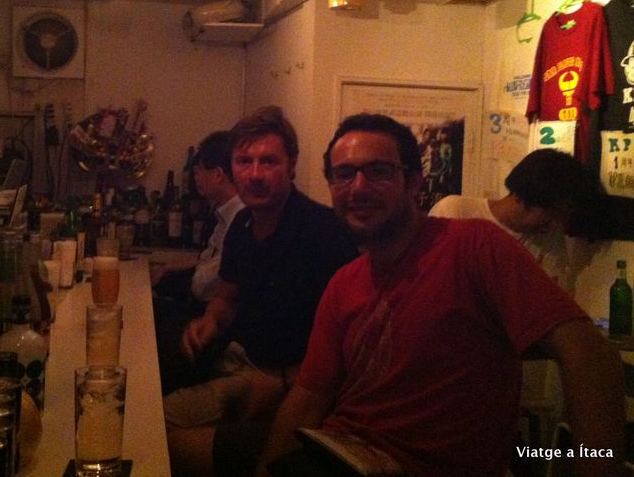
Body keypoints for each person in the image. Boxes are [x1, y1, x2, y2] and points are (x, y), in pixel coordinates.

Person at [258, 113, 625, 477]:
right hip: (337, 451)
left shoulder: (475, 246)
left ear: (413, 182)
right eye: (344, 174)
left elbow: (593, 357)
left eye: (379, 171)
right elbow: (309, 398)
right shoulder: (343, 283)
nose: (358, 188)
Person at [166, 105, 358, 477]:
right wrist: (210, 320)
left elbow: (350, 344)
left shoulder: (325, 233)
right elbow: (227, 296)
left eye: (268, 161)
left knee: (152, 431)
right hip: (237, 360)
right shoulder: (241, 224)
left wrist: (285, 381)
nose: (254, 174)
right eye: (245, 161)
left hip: (284, 383)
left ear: (291, 165)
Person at [152, 130, 245, 394]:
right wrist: (179, 266)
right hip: (208, 312)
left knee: (147, 329)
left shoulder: (240, 217)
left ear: (218, 175)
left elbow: (205, 285)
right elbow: (208, 259)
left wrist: (192, 269)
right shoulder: (225, 213)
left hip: (218, 323)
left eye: (199, 171)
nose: (195, 178)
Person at [428, 147, 601, 287]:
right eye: (550, 214)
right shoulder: (454, 212)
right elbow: (432, 281)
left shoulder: (548, 235)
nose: (554, 223)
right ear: (520, 197)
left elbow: (546, 297)